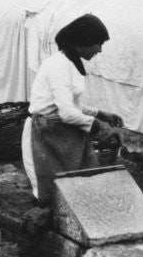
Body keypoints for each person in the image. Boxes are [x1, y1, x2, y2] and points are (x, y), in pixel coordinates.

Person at [21, 13, 124, 216]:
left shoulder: (71, 63)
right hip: (46, 137)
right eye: (98, 43)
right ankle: (43, 233)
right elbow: (67, 113)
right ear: (83, 41)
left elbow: (70, 105)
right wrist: (97, 126)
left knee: (79, 187)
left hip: (63, 135)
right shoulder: (58, 65)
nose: (100, 50)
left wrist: (100, 113)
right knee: (50, 191)